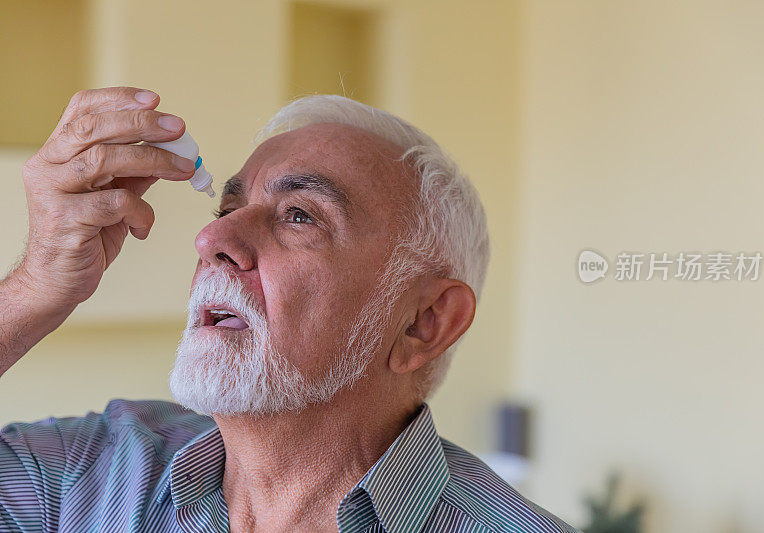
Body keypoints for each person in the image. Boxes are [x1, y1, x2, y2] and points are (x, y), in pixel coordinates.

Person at [0, 87, 577, 532]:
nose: (213, 241)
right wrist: (34, 288)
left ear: (423, 323)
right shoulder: (92, 474)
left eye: (300, 215)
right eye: (226, 207)